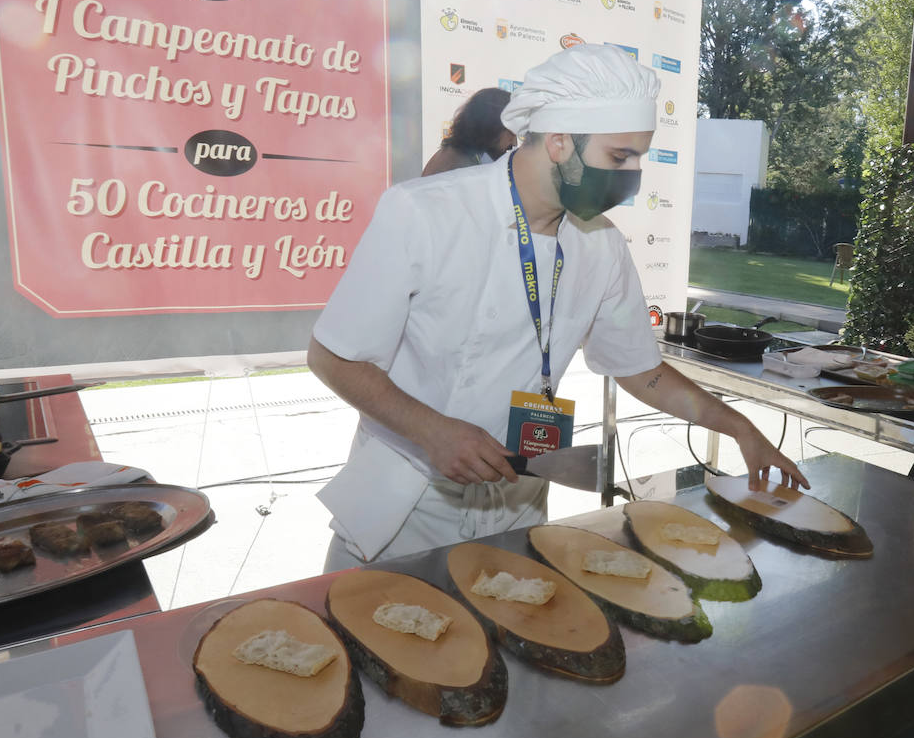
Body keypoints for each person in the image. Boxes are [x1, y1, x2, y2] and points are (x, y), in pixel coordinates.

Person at [308, 44, 807, 571]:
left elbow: (642, 370)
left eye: (638, 157)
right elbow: (333, 357)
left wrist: (739, 428)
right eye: (620, 157)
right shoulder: (425, 211)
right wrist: (433, 429)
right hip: (405, 507)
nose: (633, 174)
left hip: (516, 506)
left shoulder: (603, 244)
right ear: (560, 141)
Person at [422, 88, 517, 176]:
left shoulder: (456, 155)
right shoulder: (464, 168)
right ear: (492, 127)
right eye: (511, 131)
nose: (514, 142)